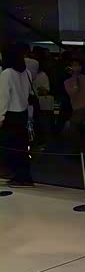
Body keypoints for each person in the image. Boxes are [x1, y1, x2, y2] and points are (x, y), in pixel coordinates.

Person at [0, 43, 34, 187]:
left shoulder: (7, 73)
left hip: (11, 115)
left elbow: (4, 98)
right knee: (22, 147)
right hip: (23, 114)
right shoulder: (27, 73)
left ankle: (17, 176)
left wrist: (0, 117)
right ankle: (24, 176)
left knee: (11, 148)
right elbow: (28, 94)